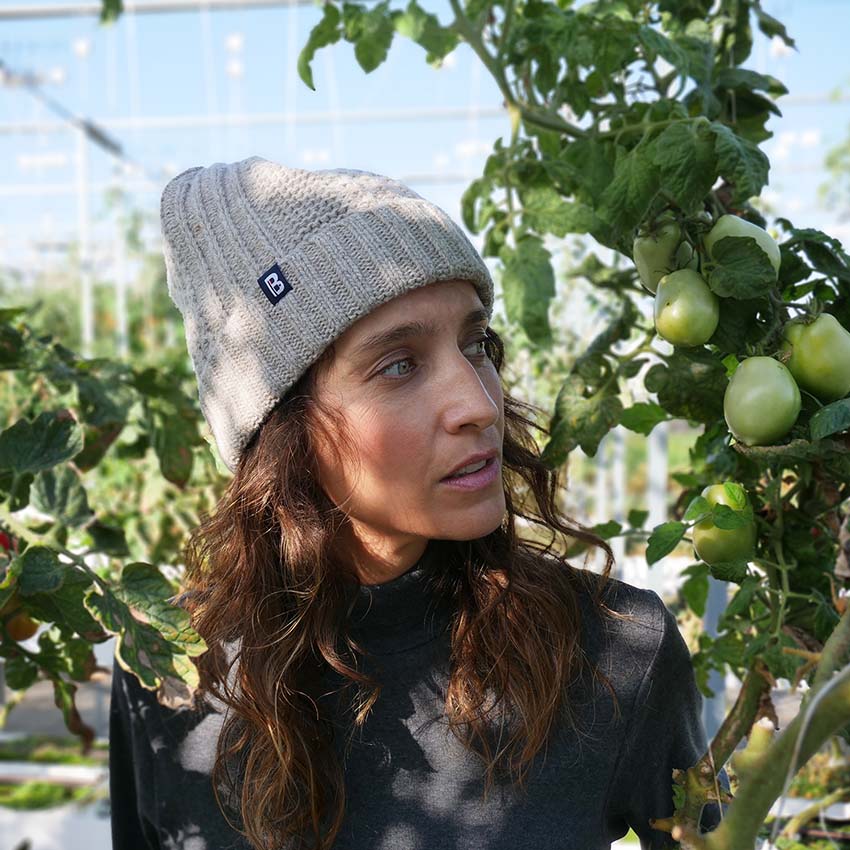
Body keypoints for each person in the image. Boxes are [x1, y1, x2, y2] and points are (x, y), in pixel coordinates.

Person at [108, 156, 730, 850]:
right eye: (398, 364)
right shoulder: (172, 669)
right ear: (280, 433)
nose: (478, 403)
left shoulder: (614, 653)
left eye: (477, 345)